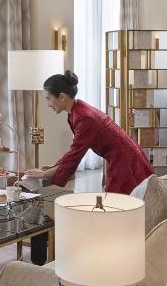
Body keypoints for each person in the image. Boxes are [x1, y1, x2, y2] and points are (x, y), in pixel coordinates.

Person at [22, 71, 153, 194]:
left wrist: (45, 174)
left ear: (62, 96)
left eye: (48, 99)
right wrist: (54, 168)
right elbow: (75, 151)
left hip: (125, 159)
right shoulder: (78, 110)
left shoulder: (84, 117)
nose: (48, 104)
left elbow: (76, 153)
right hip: (123, 156)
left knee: (120, 203)